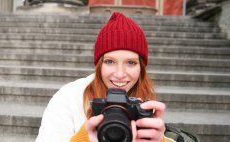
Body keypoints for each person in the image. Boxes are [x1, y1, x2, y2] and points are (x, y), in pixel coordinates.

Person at [35, 12, 175, 142]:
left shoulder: (143, 101)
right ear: (99, 65)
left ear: (141, 67)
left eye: (131, 62)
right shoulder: (69, 97)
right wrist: (84, 137)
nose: (120, 74)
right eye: (110, 61)